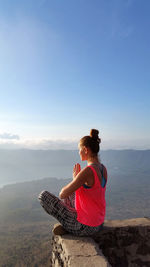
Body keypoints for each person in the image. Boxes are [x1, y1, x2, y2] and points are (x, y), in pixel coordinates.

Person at [38, 129, 107, 236]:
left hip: (85, 227)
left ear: (85, 150)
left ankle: (68, 227)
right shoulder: (103, 169)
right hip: (98, 223)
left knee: (43, 196)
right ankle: (69, 224)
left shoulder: (88, 171)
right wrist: (77, 180)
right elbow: (92, 193)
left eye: (79, 150)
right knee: (73, 192)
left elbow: (62, 194)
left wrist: (75, 180)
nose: (78, 152)